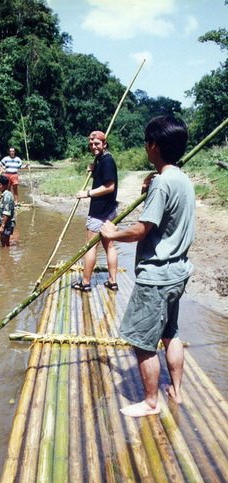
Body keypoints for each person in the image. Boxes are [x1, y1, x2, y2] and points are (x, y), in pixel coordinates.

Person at [100, 115, 195, 418]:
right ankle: (177, 392)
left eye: (146, 142)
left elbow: (142, 229)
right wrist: (147, 190)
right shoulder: (182, 179)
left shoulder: (163, 183)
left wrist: (112, 233)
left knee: (142, 343)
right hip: (178, 272)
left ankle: (151, 402)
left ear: (153, 145)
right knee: (171, 334)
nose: (145, 146)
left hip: (156, 276)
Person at [71, 130, 118, 292]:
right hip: (109, 209)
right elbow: (103, 179)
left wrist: (87, 193)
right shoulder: (102, 159)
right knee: (109, 246)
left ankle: (85, 283)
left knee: (91, 247)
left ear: (104, 144)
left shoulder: (107, 161)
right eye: (91, 144)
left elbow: (109, 186)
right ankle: (112, 281)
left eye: (97, 143)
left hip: (100, 212)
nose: (93, 146)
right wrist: (93, 171)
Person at [0, 175, 15, 247]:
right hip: (5, 223)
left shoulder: (7, 196)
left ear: (5, 185)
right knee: (3, 242)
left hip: (7, 224)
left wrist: (2, 226)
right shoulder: (4, 195)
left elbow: (7, 213)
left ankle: (6, 256)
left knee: (5, 242)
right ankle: (5, 255)